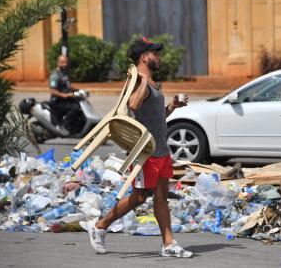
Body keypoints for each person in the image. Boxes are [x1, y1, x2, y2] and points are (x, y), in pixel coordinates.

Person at [84, 36, 193, 258]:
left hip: (161, 150)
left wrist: (172, 106)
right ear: (145, 57)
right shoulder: (137, 81)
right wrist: (141, 79)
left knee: (161, 195)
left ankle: (168, 244)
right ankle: (100, 226)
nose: (159, 57)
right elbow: (133, 105)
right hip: (146, 152)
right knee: (140, 198)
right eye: (155, 53)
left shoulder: (154, 84)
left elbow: (158, 118)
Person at [48, 55, 81, 136]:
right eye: (62, 63)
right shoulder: (55, 75)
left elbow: (68, 86)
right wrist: (66, 95)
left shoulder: (64, 74)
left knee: (79, 104)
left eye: (66, 62)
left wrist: (79, 90)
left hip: (64, 100)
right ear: (58, 63)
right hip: (57, 102)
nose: (65, 64)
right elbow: (53, 91)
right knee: (75, 108)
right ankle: (63, 125)